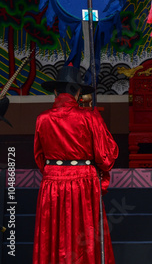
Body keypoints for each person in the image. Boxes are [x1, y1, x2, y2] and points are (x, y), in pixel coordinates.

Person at [33, 65, 118, 264]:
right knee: (84, 235)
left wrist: (56, 171)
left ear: (55, 91)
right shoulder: (90, 117)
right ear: (79, 92)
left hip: (53, 182)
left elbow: (39, 157)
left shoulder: (42, 119)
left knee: (54, 234)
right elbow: (106, 156)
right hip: (83, 182)